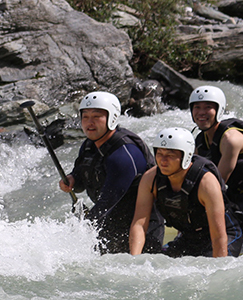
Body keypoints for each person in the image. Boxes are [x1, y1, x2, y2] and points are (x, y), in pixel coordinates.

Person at [59, 91, 164, 254]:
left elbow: (108, 201)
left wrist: (81, 229)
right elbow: (80, 178)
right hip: (111, 221)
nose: (89, 122)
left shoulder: (124, 153)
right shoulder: (89, 146)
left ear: (112, 118)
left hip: (143, 228)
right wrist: (72, 180)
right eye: (85, 117)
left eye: (96, 116)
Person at [129, 127, 243, 257]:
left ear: (186, 156)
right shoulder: (150, 178)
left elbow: (219, 237)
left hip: (224, 235)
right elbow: (139, 224)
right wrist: (135, 259)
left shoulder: (206, 183)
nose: (163, 161)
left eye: (170, 156)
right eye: (159, 154)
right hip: (189, 237)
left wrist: (217, 270)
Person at [189, 85, 243, 240]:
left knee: (236, 230)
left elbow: (218, 182)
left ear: (219, 110)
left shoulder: (230, 139)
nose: (201, 112)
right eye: (197, 107)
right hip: (234, 192)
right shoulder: (200, 140)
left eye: (208, 107)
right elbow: (192, 176)